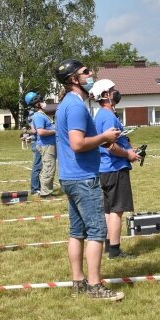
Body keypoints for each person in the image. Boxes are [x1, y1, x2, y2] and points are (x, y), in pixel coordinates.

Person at [54, 58, 124, 301]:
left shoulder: (67, 103)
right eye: (86, 72)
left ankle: (78, 281)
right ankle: (94, 285)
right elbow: (77, 143)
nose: (91, 74)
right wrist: (105, 136)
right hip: (83, 178)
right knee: (96, 230)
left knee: (77, 231)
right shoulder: (74, 106)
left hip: (70, 177)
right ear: (74, 79)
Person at [90, 79, 141, 259]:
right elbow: (109, 145)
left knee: (108, 210)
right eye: (113, 90)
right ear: (106, 95)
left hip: (105, 168)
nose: (116, 92)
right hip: (114, 168)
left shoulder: (102, 115)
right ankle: (115, 250)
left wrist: (129, 149)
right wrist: (128, 155)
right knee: (116, 211)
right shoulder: (108, 116)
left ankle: (108, 246)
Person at [26, 92, 57, 197]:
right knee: (48, 168)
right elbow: (40, 132)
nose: (44, 103)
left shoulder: (41, 114)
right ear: (37, 104)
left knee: (48, 167)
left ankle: (46, 190)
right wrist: (55, 131)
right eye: (41, 101)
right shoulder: (38, 116)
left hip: (48, 144)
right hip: (46, 145)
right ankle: (45, 193)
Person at [25, 97, 43, 195]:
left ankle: (38, 187)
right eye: (39, 101)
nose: (41, 102)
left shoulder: (33, 112)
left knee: (39, 165)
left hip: (36, 141)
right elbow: (34, 130)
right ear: (35, 103)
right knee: (37, 166)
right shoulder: (33, 114)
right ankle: (35, 189)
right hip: (36, 142)